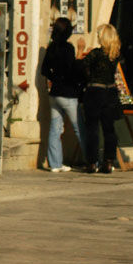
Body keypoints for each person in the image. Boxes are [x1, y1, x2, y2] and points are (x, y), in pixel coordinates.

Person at [41, 17, 86, 172]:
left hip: (55, 94)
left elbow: (44, 70)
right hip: (69, 94)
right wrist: (80, 52)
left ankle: (55, 164)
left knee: (55, 129)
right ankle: (91, 160)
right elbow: (73, 70)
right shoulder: (68, 48)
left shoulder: (51, 47)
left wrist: (56, 79)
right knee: (79, 128)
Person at [79, 24, 123, 174]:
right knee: (109, 129)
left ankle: (92, 162)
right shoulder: (115, 54)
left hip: (95, 90)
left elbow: (82, 67)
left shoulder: (96, 53)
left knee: (92, 128)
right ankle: (108, 161)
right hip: (110, 91)